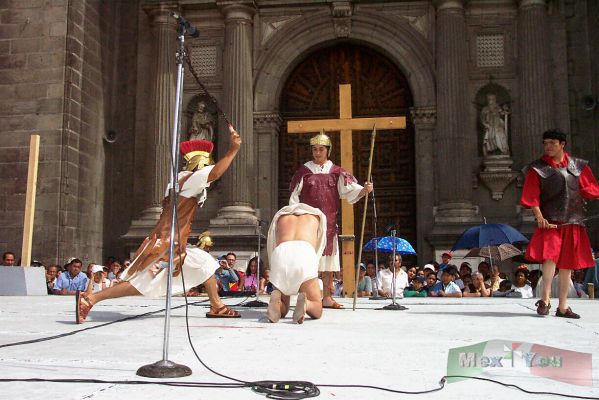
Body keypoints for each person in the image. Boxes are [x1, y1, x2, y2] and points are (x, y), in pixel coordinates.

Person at [75, 127, 242, 324]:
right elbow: (214, 173)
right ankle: (90, 298)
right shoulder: (191, 179)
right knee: (142, 285)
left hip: (171, 240)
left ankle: (217, 306)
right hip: (168, 244)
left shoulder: (178, 181)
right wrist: (233, 150)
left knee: (204, 263)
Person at [521, 129, 599, 319]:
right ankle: (545, 300)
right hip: (550, 222)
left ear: (562, 144)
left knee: (567, 265)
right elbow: (531, 196)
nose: (547, 146)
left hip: (572, 222)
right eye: (545, 143)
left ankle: (563, 307)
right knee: (550, 258)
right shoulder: (537, 168)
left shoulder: (578, 166)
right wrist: (539, 217)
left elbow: (591, 189)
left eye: (552, 143)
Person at [289, 132, 373, 309]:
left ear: (328, 151)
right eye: (314, 149)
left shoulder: (336, 172)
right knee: (308, 262)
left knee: (327, 264)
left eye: (321, 149)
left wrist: (364, 190)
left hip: (328, 223)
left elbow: (350, 190)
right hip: (308, 224)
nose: (317, 152)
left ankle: (327, 297)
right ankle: (307, 296)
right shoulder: (304, 172)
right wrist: (295, 215)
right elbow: (294, 196)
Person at [266, 203, 327, 324]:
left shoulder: (281, 216)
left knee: (283, 309)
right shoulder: (316, 216)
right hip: (304, 251)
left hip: (281, 252)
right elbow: (320, 244)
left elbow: (271, 241)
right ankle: (306, 303)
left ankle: (277, 301)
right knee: (317, 308)